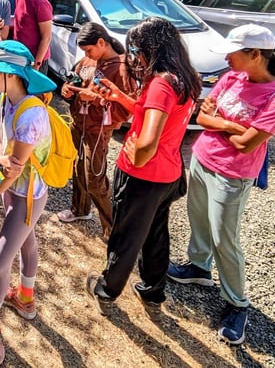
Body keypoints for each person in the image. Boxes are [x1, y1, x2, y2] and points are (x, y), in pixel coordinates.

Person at [167, 24, 275, 345]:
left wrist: (222, 123)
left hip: (233, 174)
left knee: (225, 237)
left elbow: (248, 144)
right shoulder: (233, 76)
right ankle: (198, 266)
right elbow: (202, 118)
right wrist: (231, 124)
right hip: (203, 158)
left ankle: (237, 303)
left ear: (255, 54)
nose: (228, 58)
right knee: (199, 220)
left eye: (234, 53)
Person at [84, 17, 202, 321]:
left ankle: (108, 289)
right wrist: (120, 97)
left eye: (136, 48)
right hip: (169, 174)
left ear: (151, 49)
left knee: (125, 234)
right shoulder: (184, 77)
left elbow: (148, 139)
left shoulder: (161, 83)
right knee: (156, 234)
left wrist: (135, 156)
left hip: (142, 176)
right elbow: (153, 113)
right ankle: (152, 290)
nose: (133, 55)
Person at [0, 40, 56, 366]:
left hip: (26, 197)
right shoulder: (6, 99)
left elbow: (13, 171)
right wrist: (2, 159)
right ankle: (26, 300)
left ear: (10, 74)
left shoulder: (31, 114)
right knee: (27, 241)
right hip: (15, 191)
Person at [56, 22, 135, 241]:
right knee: (77, 166)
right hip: (78, 123)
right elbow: (75, 78)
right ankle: (80, 209)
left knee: (95, 178)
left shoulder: (121, 68)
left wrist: (98, 100)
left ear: (102, 42)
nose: (87, 54)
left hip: (98, 130)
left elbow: (126, 109)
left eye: (89, 50)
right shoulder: (88, 59)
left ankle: (113, 228)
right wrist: (67, 89)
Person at [9, 0, 52, 74]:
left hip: (35, 60)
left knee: (34, 91)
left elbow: (46, 37)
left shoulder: (41, 4)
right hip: (19, 57)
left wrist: (36, 64)